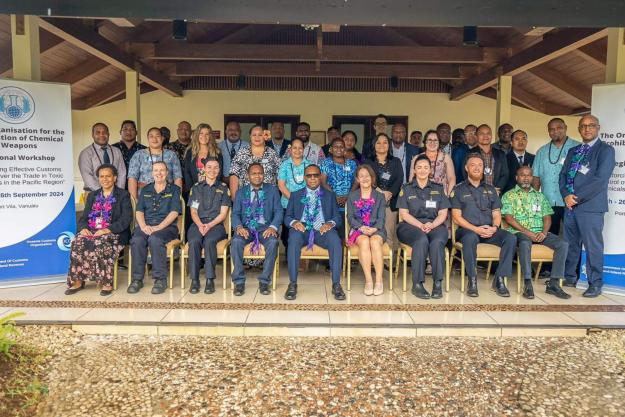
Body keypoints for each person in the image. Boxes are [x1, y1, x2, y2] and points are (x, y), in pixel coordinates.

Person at [559, 115, 616, 297]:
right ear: (579, 129)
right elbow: (562, 176)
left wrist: (576, 198)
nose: (587, 129)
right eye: (583, 126)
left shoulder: (605, 150)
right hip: (570, 207)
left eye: (591, 125)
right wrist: (566, 196)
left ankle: (595, 283)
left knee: (593, 246)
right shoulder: (573, 151)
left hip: (590, 207)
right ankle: (569, 277)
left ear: (598, 127)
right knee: (571, 244)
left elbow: (600, 180)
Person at [451, 154, 516, 297]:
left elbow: (497, 214)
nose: (476, 168)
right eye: (473, 165)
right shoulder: (458, 189)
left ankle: (499, 279)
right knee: (470, 239)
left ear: (484, 169)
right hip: (467, 230)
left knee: (510, 238)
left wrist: (494, 227)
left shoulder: (491, 189)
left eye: (480, 165)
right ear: (467, 168)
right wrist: (475, 229)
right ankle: (472, 281)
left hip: (489, 230)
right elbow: (456, 217)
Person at [501, 166, 571, 299]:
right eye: (522, 175)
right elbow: (509, 218)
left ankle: (554, 283)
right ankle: (527, 283)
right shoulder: (509, 195)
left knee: (562, 244)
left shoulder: (540, 196)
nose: (526, 177)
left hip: (540, 233)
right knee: (525, 242)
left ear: (532, 178)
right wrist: (528, 233)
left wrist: (544, 232)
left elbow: (547, 217)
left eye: (528, 175)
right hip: (518, 232)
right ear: (517, 178)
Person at [65, 164, 133, 296]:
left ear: (114, 178)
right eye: (102, 176)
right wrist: (84, 228)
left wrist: (107, 229)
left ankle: (106, 282)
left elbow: (126, 219)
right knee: (77, 241)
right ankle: (78, 281)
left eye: (108, 176)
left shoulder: (123, 195)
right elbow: (84, 218)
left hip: (114, 233)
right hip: (93, 230)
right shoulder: (92, 196)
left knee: (100, 242)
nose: (105, 179)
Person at [284, 164, 345, 301]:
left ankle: (336, 284)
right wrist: (295, 223)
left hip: (322, 229)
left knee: (335, 240)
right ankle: (292, 284)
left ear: (320, 177)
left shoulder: (329, 195)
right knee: (293, 239)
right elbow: (287, 217)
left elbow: (337, 218)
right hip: (303, 229)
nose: (312, 178)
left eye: (316, 175)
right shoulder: (296, 195)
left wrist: (330, 223)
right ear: (305, 177)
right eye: (309, 175)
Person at [397, 155, 450, 299]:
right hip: (410, 225)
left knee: (437, 241)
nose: (422, 170)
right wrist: (420, 225)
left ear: (430, 170)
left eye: (426, 167)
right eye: (419, 167)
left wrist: (432, 224)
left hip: (435, 224)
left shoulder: (438, 188)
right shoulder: (406, 188)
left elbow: (443, 213)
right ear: (414, 170)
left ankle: (437, 283)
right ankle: (417, 284)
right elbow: (404, 213)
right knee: (421, 240)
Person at [128, 162, 182, 294]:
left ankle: (160, 279)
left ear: (167, 173)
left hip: (167, 226)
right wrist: (143, 226)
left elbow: (174, 212)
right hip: (146, 225)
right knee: (137, 240)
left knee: (155, 239)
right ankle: (137, 279)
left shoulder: (174, 189)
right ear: (152, 173)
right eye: (156, 170)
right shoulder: (146, 190)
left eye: (162, 170)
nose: (159, 173)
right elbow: (139, 211)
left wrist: (159, 227)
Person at [231, 163, 283, 296]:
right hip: (246, 229)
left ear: (263, 175)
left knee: (273, 243)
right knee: (236, 242)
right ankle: (239, 281)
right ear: (248, 176)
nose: (257, 176)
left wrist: (272, 227)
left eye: (260, 173)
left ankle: (265, 281)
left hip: (265, 229)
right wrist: (239, 227)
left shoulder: (272, 190)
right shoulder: (241, 192)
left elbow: (278, 212)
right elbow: (235, 213)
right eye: (254, 173)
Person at [186, 158, 231, 295]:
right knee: (194, 241)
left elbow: (223, 214)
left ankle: (210, 279)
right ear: (204, 169)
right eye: (209, 167)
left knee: (210, 241)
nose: (212, 170)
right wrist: (200, 225)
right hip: (198, 223)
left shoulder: (223, 188)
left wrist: (209, 225)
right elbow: (193, 211)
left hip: (216, 224)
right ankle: (194, 279)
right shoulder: (196, 188)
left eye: (216, 167)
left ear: (219, 170)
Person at [533, 118, 580, 238]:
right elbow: (536, 178)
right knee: (550, 236)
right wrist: (535, 200)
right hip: (547, 202)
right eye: (552, 129)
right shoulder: (542, 151)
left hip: (570, 201)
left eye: (559, 128)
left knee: (571, 236)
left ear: (565, 128)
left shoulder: (578, 148)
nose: (555, 131)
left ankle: (571, 258)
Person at [346, 165, 387, 295]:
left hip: (377, 229)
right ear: (357, 179)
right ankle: (369, 281)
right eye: (361, 176)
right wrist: (361, 227)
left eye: (367, 176)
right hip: (359, 229)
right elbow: (350, 217)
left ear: (372, 178)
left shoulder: (379, 196)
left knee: (374, 241)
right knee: (364, 241)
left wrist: (374, 228)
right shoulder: (352, 196)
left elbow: (382, 217)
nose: (364, 178)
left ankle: (379, 281)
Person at [364, 133, 403, 250]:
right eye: (378, 142)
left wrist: (390, 192)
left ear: (389, 145)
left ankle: (387, 261)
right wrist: (379, 192)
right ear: (374, 145)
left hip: (390, 202)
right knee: (373, 231)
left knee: (389, 231)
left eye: (385, 142)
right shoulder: (368, 162)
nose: (382, 145)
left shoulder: (396, 161)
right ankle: (373, 258)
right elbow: (366, 178)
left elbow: (399, 179)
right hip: (372, 201)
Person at [127, 127, 183, 201]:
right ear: (148, 138)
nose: (154, 139)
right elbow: (132, 178)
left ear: (162, 138)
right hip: (144, 198)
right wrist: (134, 200)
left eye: (157, 136)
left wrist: (176, 199)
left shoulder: (171, 155)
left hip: (168, 197)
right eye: (151, 136)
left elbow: (178, 177)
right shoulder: (139, 155)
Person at [278, 138, 312, 249]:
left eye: (300, 148)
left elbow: (312, 185)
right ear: (290, 149)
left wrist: (302, 201)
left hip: (306, 204)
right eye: (294, 148)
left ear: (304, 149)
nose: (297, 150)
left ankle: (301, 257)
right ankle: (290, 257)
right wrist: (294, 200)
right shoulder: (284, 165)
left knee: (303, 230)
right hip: (287, 205)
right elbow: (281, 186)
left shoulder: (309, 165)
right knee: (287, 234)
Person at [229, 125, 281, 198]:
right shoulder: (241, 153)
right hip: (246, 199)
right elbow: (234, 176)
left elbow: (281, 176)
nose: (257, 137)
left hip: (268, 198)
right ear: (250, 136)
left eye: (260, 135)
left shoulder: (272, 154)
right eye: (254, 135)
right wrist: (235, 199)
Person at [78, 122, 126, 192]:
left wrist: (118, 191)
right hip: (93, 192)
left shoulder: (116, 151)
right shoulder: (86, 153)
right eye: (98, 132)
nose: (101, 135)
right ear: (92, 135)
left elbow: (122, 173)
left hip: (116, 193)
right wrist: (104, 193)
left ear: (108, 134)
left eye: (104, 132)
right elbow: (87, 176)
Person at [409, 130, 456, 195]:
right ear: (425, 142)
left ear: (439, 142)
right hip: (420, 195)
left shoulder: (446, 157)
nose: (432, 143)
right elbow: (411, 179)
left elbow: (451, 179)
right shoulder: (416, 158)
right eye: (429, 140)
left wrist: (448, 195)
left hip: (442, 197)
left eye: (435, 140)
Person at [320, 137, 357, 217]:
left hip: (349, 200)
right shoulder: (325, 163)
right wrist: (335, 196)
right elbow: (323, 182)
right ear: (331, 149)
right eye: (336, 147)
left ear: (345, 149)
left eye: (341, 147)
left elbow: (357, 181)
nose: (339, 149)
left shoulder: (352, 163)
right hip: (331, 200)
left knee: (347, 225)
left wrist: (349, 196)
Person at [183, 123, 223, 196]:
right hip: (194, 191)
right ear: (197, 135)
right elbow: (187, 172)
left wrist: (214, 188)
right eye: (201, 133)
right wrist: (192, 189)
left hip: (213, 191)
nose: (204, 136)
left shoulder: (217, 152)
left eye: (207, 134)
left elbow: (219, 173)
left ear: (210, 136)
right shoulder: (190, 152)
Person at [471, 124, 508, 193]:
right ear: (476, 136)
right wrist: (480, 190)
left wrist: (496, 189)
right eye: (482, 133)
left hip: (496, 193)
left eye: (488, 133)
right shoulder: (469, 153)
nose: (485, 136)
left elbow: (505, 175)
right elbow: (465, 174)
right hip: (476, 193)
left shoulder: (500, 154)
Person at [219, 121, 250, 187]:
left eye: (236, 130)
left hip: (242, 184)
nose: (233, 132)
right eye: (230, 130)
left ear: (240, 132)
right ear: (226, 132)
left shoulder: (248, 147)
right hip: (222, 184)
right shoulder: (219, 147)